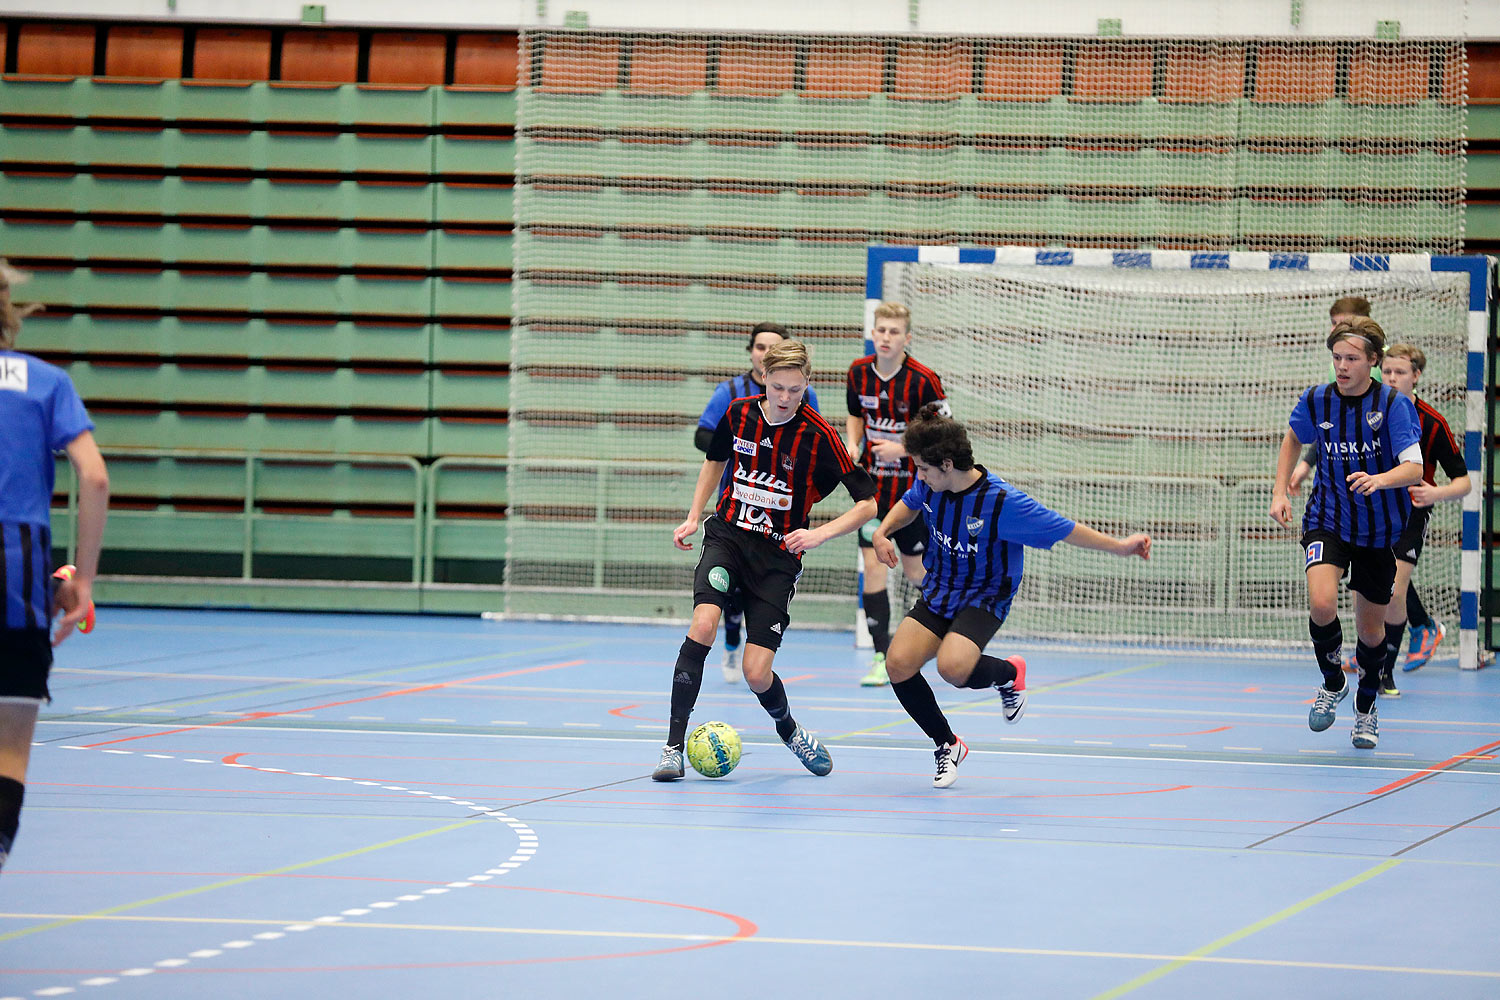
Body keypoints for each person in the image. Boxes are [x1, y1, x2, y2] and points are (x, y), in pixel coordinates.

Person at [872, 404, 1151, 788]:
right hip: (941, 589)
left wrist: (1121, 546)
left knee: (952, 669)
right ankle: (947, 744)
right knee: (898, 663)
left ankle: (1008, 674)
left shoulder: (1003, 503)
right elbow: (909, 503)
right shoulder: (931, 484)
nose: (918, 476)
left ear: (947, 464)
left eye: (922, 468)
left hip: (985, 596)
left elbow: (1065, 528)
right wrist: (882, 531)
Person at [655, 339, 876, 781]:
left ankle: (790, 730)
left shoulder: (819, 435)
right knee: (703, 625)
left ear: (806, 384)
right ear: (764, 380)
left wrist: (819, 534)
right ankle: (672, 748)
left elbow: (868, 502)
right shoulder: (737, 413)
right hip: (728, 538)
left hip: (777, 557)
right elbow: (714, 462)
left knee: (757, 672)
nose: (785, 398)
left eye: (795, 389)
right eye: (777, 387)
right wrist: (694, 516)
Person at [0, 259, 109, 870]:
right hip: (16, 579)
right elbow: (93, 476)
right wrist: (82, 579)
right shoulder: (45, 382)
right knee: (8, 748)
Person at [1270, 317, 1422, 751]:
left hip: (1378, 529)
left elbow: (1413, 467)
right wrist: (1281, 491)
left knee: (1371, 634)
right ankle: (1333, 682)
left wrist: (1381, 480)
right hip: (1328, 518)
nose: (1342, 366)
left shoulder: (1392, 405)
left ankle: (1366, 708)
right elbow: (1291, 441)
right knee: (1320, 602)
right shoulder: (1317, 400)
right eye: (1337, 357)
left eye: (1352, 358)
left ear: (1373, 361)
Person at [694, 322, 820, 684]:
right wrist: (743, 445)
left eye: (774, 347)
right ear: (753, 353)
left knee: (754, 589)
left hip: (778, 514)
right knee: (725, 586)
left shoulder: (801, 397)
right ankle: (731, 640)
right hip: (736, 504)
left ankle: (751, 646)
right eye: (761, 346)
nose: (766, 352)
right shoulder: (732, 395)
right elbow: (704, 435)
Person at [845, 301, 947, 687]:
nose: (885, 337)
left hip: (913, 494)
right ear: (873, 333)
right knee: (872, 567)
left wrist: (904, 448)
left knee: (915, 571)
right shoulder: (857, 372)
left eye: (893, 332)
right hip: (871, 492)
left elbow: (945, 433)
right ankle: (880, 655)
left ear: (906, 338)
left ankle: (947, 625)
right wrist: (854, 443)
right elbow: (856, 414)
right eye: (880, 330)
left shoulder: (923, 380)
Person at [1376, 343, 1470, 684]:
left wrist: (1435, 492)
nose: (1391, 378)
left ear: (1416, 376)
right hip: (1373, 509)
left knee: (1393, 591)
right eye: (1386, 372)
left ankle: (1384, 672)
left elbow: (1463, 481)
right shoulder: (1369, 413)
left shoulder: (1432, 423)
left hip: (1412, 513)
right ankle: (1381, 647)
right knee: (1370, 589)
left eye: (1400, 373)